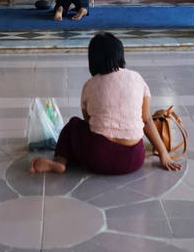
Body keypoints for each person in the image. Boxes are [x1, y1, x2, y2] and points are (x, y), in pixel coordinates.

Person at [30, 31, 183, 175]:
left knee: (73, 125)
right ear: (120, 55)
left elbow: (89, 122)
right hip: (134, 159)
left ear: (93, 60)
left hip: (98, 159)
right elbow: (147, 119)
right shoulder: (137, 78)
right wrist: (163, 154)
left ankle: (59, 162)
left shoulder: (89, 85)